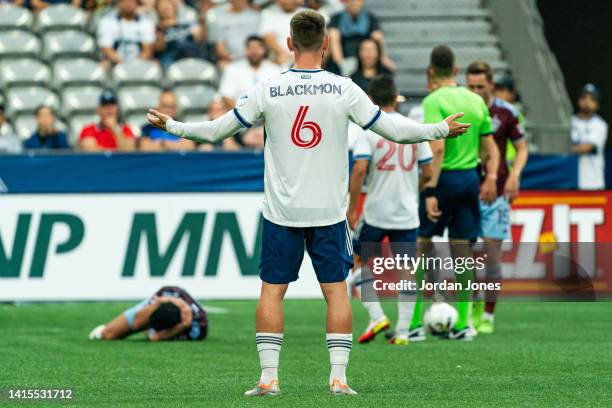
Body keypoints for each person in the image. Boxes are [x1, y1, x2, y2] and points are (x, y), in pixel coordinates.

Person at [146, 10, 468, 396]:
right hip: (329, 213)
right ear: (327, 44)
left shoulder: (268, 87)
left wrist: (174, 126)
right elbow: (392, 127)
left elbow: (217, 131)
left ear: (289, 44)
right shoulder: (343, 88)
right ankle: (339, 379)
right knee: (335, 291)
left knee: (271, 291)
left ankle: (268, 378)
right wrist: (439, 129)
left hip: (282, 212)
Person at [409, 46, 499, 341]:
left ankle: (415, 324)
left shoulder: (434, 100)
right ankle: (463, 324)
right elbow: (490, 149)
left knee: (423, 245)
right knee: (462, 252)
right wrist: (489, 178)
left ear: (432, 71)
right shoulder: (475, 100)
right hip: (469, 179)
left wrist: (431, 188)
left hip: (443, 177)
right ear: (457, 70)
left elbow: (436, 146)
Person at [347, 74, 433, 346]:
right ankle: (404, 331)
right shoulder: (415, 128)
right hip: (407, 211)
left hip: (376, 211)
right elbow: (428, 172)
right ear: (396, 97)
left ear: (370, 100)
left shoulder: (370, 130)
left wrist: (351, 207)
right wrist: (412, 190)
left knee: (358, 261)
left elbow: (360, 168)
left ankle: (376, 316)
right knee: (407, 269)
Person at [466, 61, 529, 334]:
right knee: (465, 257)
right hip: (466, 190)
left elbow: (522, 149)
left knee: (492, 257)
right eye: (471, 86)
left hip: (496, 192)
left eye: (481, 86)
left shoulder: (506, 112)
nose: (476, 91)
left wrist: (514, 175)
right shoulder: (464, 108)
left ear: (491, 85)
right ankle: (471, 306)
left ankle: (488, 314)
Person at [89, 286, 208, 341]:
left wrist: (182, 327)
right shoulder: (162, 296)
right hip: (158, 304)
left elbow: (154, 337)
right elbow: (137, 322)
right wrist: (157, 303)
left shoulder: (198, 328)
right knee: (108, 335)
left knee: (151, 335)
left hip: (175, 321)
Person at [328, 0, 393, 73]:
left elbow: (377, 37)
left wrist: (383, 58)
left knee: (377, 36)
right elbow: (333, 38)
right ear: (344, 2)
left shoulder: (370, 17)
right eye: (350, 0)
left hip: (364, 57)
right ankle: (340, 68)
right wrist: (340, 64)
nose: (353, 3)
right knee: (333, 34)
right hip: (344, 57)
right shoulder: (336, 18)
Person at [219, 35, 281, 108]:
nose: (254, 52)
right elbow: (226, 96)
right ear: (245, 50)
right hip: (239, 114)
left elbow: (279, 98)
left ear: (264, 50)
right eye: (250, 48)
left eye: (257, 48)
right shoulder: (232, 69)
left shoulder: (276, 70)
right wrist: (242, 115)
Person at [571, 83, 608, 190]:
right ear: (578, 100)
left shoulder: (600, 125)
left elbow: (587, 147)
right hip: (570, 181)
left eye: (592, 99)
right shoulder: (570, 122)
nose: (587, 102)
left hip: (593, 182)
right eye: (584, 98)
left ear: (597, 104)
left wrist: (564, 149)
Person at [97, 0, 155, 67]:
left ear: (137, 3)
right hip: (115, 62)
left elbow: (147, 49)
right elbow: (106, 48)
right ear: (118, 3)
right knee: (103, 65)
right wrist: (122, 64)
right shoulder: (107, 20)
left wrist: (135, 64)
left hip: (139, 62)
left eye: (130, 1)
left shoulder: (146, 21)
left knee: (154, 65)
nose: (127, 4)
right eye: (123, 1)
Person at [208, 0, 260, 69]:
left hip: (254, 57)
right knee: (222, 65)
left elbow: (260, 43)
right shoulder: (219, 18)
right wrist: (231, 58)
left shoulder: (256, 17)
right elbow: (220, 47)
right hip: (230, 59)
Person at [153, 0, 205, 69]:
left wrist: (202, 24)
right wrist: (161, 32)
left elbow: (200, 39)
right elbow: (159, 48)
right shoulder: (158, 28)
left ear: (174, 6)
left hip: (191, 51)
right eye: (161, 6)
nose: (165, 8)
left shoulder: (189, 22)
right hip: (171, 54)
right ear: (158, 10)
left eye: (167, 5)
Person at [259, 0, 304, 65]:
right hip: (279, 57)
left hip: (302, 57)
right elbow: (268, 37)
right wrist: (282, 53)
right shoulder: (268, 13)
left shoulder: (307, 13)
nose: (285, 2)